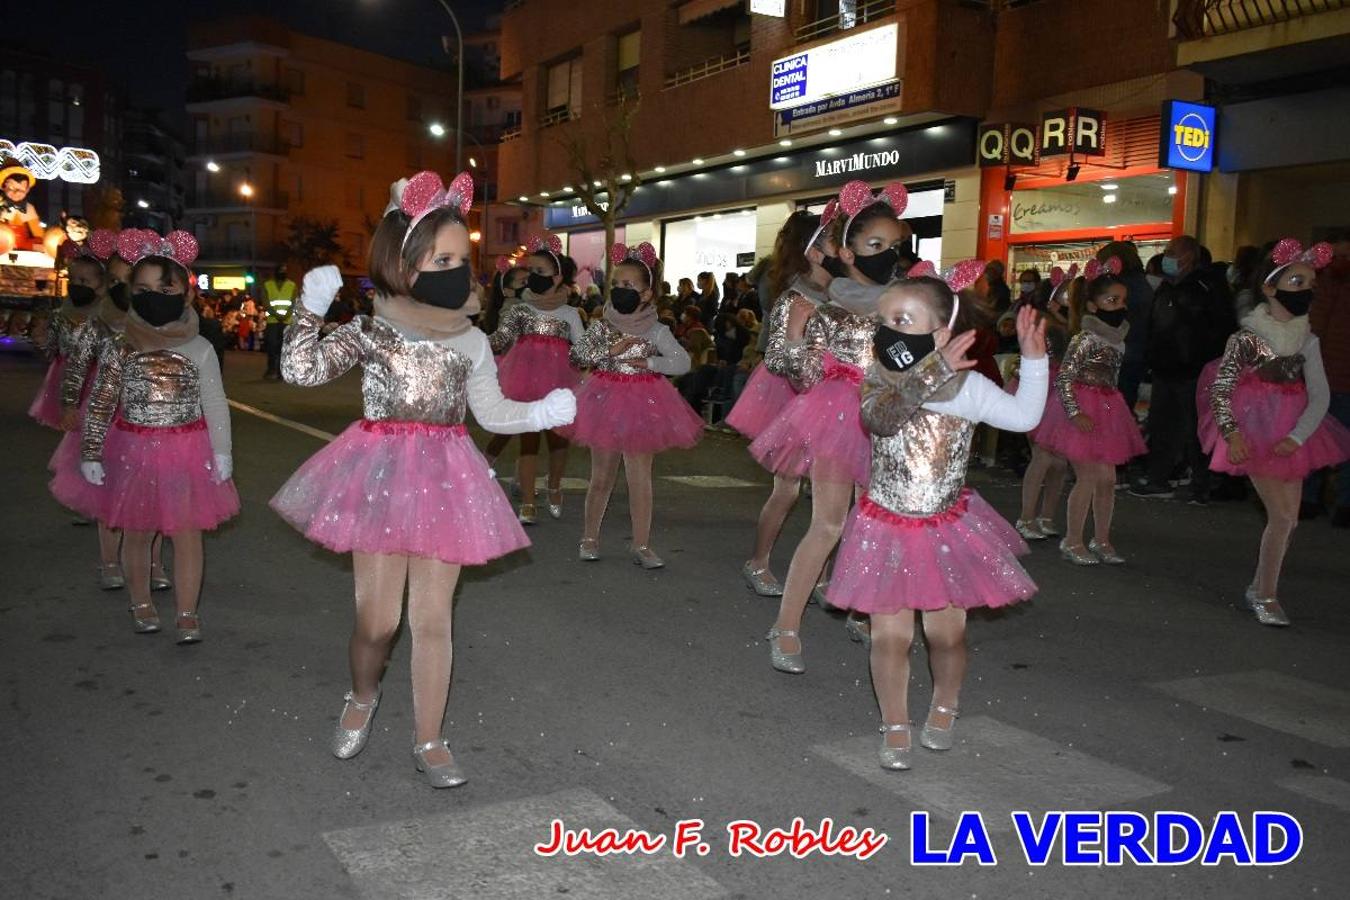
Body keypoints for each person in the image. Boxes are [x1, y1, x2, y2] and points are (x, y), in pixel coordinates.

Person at [269, 170, 576, 788]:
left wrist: (539, 412)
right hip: (378, 475)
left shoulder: (473, 340)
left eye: (464, 258)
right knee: (377, 623)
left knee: (433, 619)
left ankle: (430, 738)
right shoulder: (371, 329)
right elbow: (301, 371)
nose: (459, 269)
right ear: (405, 265)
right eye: (444, 258)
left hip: (447, 479)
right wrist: (307, 310)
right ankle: (362, 695)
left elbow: (490, 412)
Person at [830, 282, 1047, 770]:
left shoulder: (968, 389)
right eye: (885, 321)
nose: (889, 332)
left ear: (942, 330)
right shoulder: (880, 379)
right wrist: (928, 373)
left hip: (945, 530)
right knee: (890, 637)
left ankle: (945, 707)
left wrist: (1034, 361)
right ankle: (896, 726)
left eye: (903, 322)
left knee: (946, 637)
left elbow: (1024, 416)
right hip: (884, 525)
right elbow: (880, 420)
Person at [750, 180, 913, 672]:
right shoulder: (825, 310)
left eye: (895, 247)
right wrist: (805, 347)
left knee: (876, 524)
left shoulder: (906, 309)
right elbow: (792, 368)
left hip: (889, 421)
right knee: (828, 523)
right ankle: (786, 625)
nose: (887, 255)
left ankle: (863, 611)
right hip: (839, 419)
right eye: (875, 246)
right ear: (846, 251)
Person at [78, 229, 239, 642]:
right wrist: (91, 451)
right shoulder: (120, 345)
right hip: (132, 448)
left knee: (187, 534)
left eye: (164, 288)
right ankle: (141, 600)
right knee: (139, 529)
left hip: (188, 449)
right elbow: (100, 401)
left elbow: (215, 402)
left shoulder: (200, 347)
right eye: (143, 288)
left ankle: (187, 610)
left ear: (184, 294)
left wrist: (222, 453)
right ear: (131, 292)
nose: (154, 296)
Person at [1198, 240, 1350, 626]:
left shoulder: (1307, 339)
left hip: (1293, 434)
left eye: (1310, 284)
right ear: (1269, 287)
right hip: (1254, 432)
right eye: (1297, 282)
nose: (1306, 291)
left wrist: (1298, 437)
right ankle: (1264, 594)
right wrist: (1231, 434)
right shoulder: (1247, 339)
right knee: (1282, 517)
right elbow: (1222, 388)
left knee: (1289, 519)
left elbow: (1320, 396)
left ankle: (1261, 587)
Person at [565, 243, 701, 568]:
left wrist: (651, 363)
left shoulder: (657, 330)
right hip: (603, 400)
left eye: (629, 285)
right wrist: (608, 353)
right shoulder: (602, 326)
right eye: (616, 285)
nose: (621, 290)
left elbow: (682, 361)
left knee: (640, 477)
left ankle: (641, 544)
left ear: (647, 294)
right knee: (601, 476)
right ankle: (589, 537)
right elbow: (577, 356)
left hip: (644, 404)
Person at [725, 208, 834, 596]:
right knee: (787, 488)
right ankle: (758, 561)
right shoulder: (794, 295)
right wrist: (802, 346)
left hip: (831, 400)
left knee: (830, 496)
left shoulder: (842, 293)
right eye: (833, 240)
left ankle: (820, 575)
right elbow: (775, 357)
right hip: (791, 395)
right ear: (813, 250)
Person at [1034, 260, 1147, 564]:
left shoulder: (1117, 340)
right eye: (1112, 300)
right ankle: (1072, 541)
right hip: (1081, 409)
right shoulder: (1085, 339)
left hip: (1109, 408)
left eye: (1122, 301)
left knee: (1107, 479)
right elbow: (1065, 377)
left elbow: (1112, 377)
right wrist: (1074, 412)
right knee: (1087, 477)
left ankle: (1102, 538)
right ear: (1093, 306)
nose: (1120, 306)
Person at [484, 235, 585, 523]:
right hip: (524, 380)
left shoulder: (570, 313)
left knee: (558, 441)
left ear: (557, 277)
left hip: (559, 381)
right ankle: (528, 501)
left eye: (540, 273)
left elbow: (581, 348)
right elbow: (504, 338)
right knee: (528, 440)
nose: (533, 279)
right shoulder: (520, 310)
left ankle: (554, 484)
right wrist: (475, 342)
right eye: (531, 273)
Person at [1131, 235, 1236, 502]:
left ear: (1188, 255)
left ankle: (1201, 484)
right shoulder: (1168, 286)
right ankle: (1158, 478)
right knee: (1162, 425)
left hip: (1195, 369)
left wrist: (1208, 360)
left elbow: (1221, 326)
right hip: (1165, 367)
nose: (1166, 256)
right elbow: (1155, 325)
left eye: (1170, 251)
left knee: (1195, 429)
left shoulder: (1206, 286)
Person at [1012, 266, 1073, 540]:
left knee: (1060, 462)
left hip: (1061, 389)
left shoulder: (1074, 322)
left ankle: (1046, 516)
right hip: (1039, 388)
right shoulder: (1042, 321)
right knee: (1043, 456)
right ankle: (1026, 518)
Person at [1304, 232, 1350, 526]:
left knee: (1312, 437)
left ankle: (1307, 498)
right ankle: (1345, 505)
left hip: (1320, 374)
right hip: (1336, 375)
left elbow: (1313, 328)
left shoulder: (1320, 285)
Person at [1096, 241, 1154, 414]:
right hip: (1137, 352)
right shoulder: (1143, 283)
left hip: (1121, 353)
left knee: (1112, 408)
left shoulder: (1121, 287)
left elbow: (1109, 319)